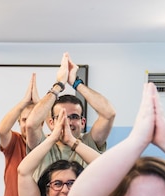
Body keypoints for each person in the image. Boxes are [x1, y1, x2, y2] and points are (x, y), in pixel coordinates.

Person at [25, 52, 115, 180]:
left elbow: (109, 113)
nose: (68, 122)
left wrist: (76, 83)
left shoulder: (89, 142)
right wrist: (59, 85)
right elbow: (31, 124)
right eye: (61, 117)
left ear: (83, 122)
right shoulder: (43, 144)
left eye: (73, 117)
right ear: (51, 123)